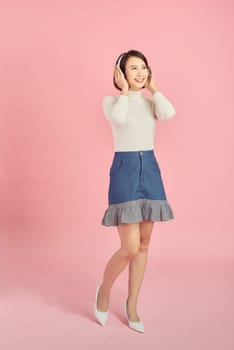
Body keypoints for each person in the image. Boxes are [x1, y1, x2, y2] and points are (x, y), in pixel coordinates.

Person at [94, 49, 176, 333]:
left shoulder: (152, 103)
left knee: (143, 244)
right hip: (125, 170)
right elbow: (118, 119)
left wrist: (154, 88)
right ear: (121, 74)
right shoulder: (113, 102)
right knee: (129, 247)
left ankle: (132, 304)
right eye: (133, 69)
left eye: (144, 68)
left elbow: (168, 112)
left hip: (150, 169)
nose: (140, 73)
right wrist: (126, 92)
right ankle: (103, 292)